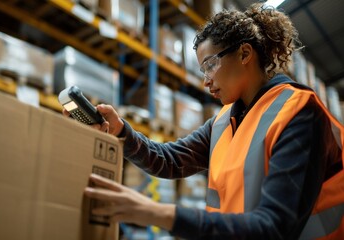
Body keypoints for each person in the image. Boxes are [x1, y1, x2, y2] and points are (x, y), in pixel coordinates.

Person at [64, 3, 344, 239]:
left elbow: (273, 228)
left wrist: (156, 212)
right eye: (202, 69)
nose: (206, 79)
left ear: (245, 54)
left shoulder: (299, 112)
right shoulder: (225, 120)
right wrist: (122, 131)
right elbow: (169, 159)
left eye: (211, 64)